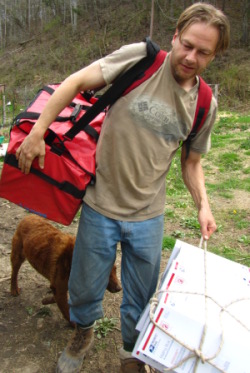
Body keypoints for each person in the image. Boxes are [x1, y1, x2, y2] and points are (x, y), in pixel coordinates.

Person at [16, 3, 230, 372]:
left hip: (149, 215)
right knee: (83, 287)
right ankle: (83, 332)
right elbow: (75, 82)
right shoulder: (140, 60)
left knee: (141, 296)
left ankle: (132, 350)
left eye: (203, 52)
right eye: (188, 45)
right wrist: (37, 134)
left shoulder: (204, 103)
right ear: (175, 36)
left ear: (215, 55)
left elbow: (191, 161)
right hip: (101, 204)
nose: (191, 57)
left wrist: (203, 204)